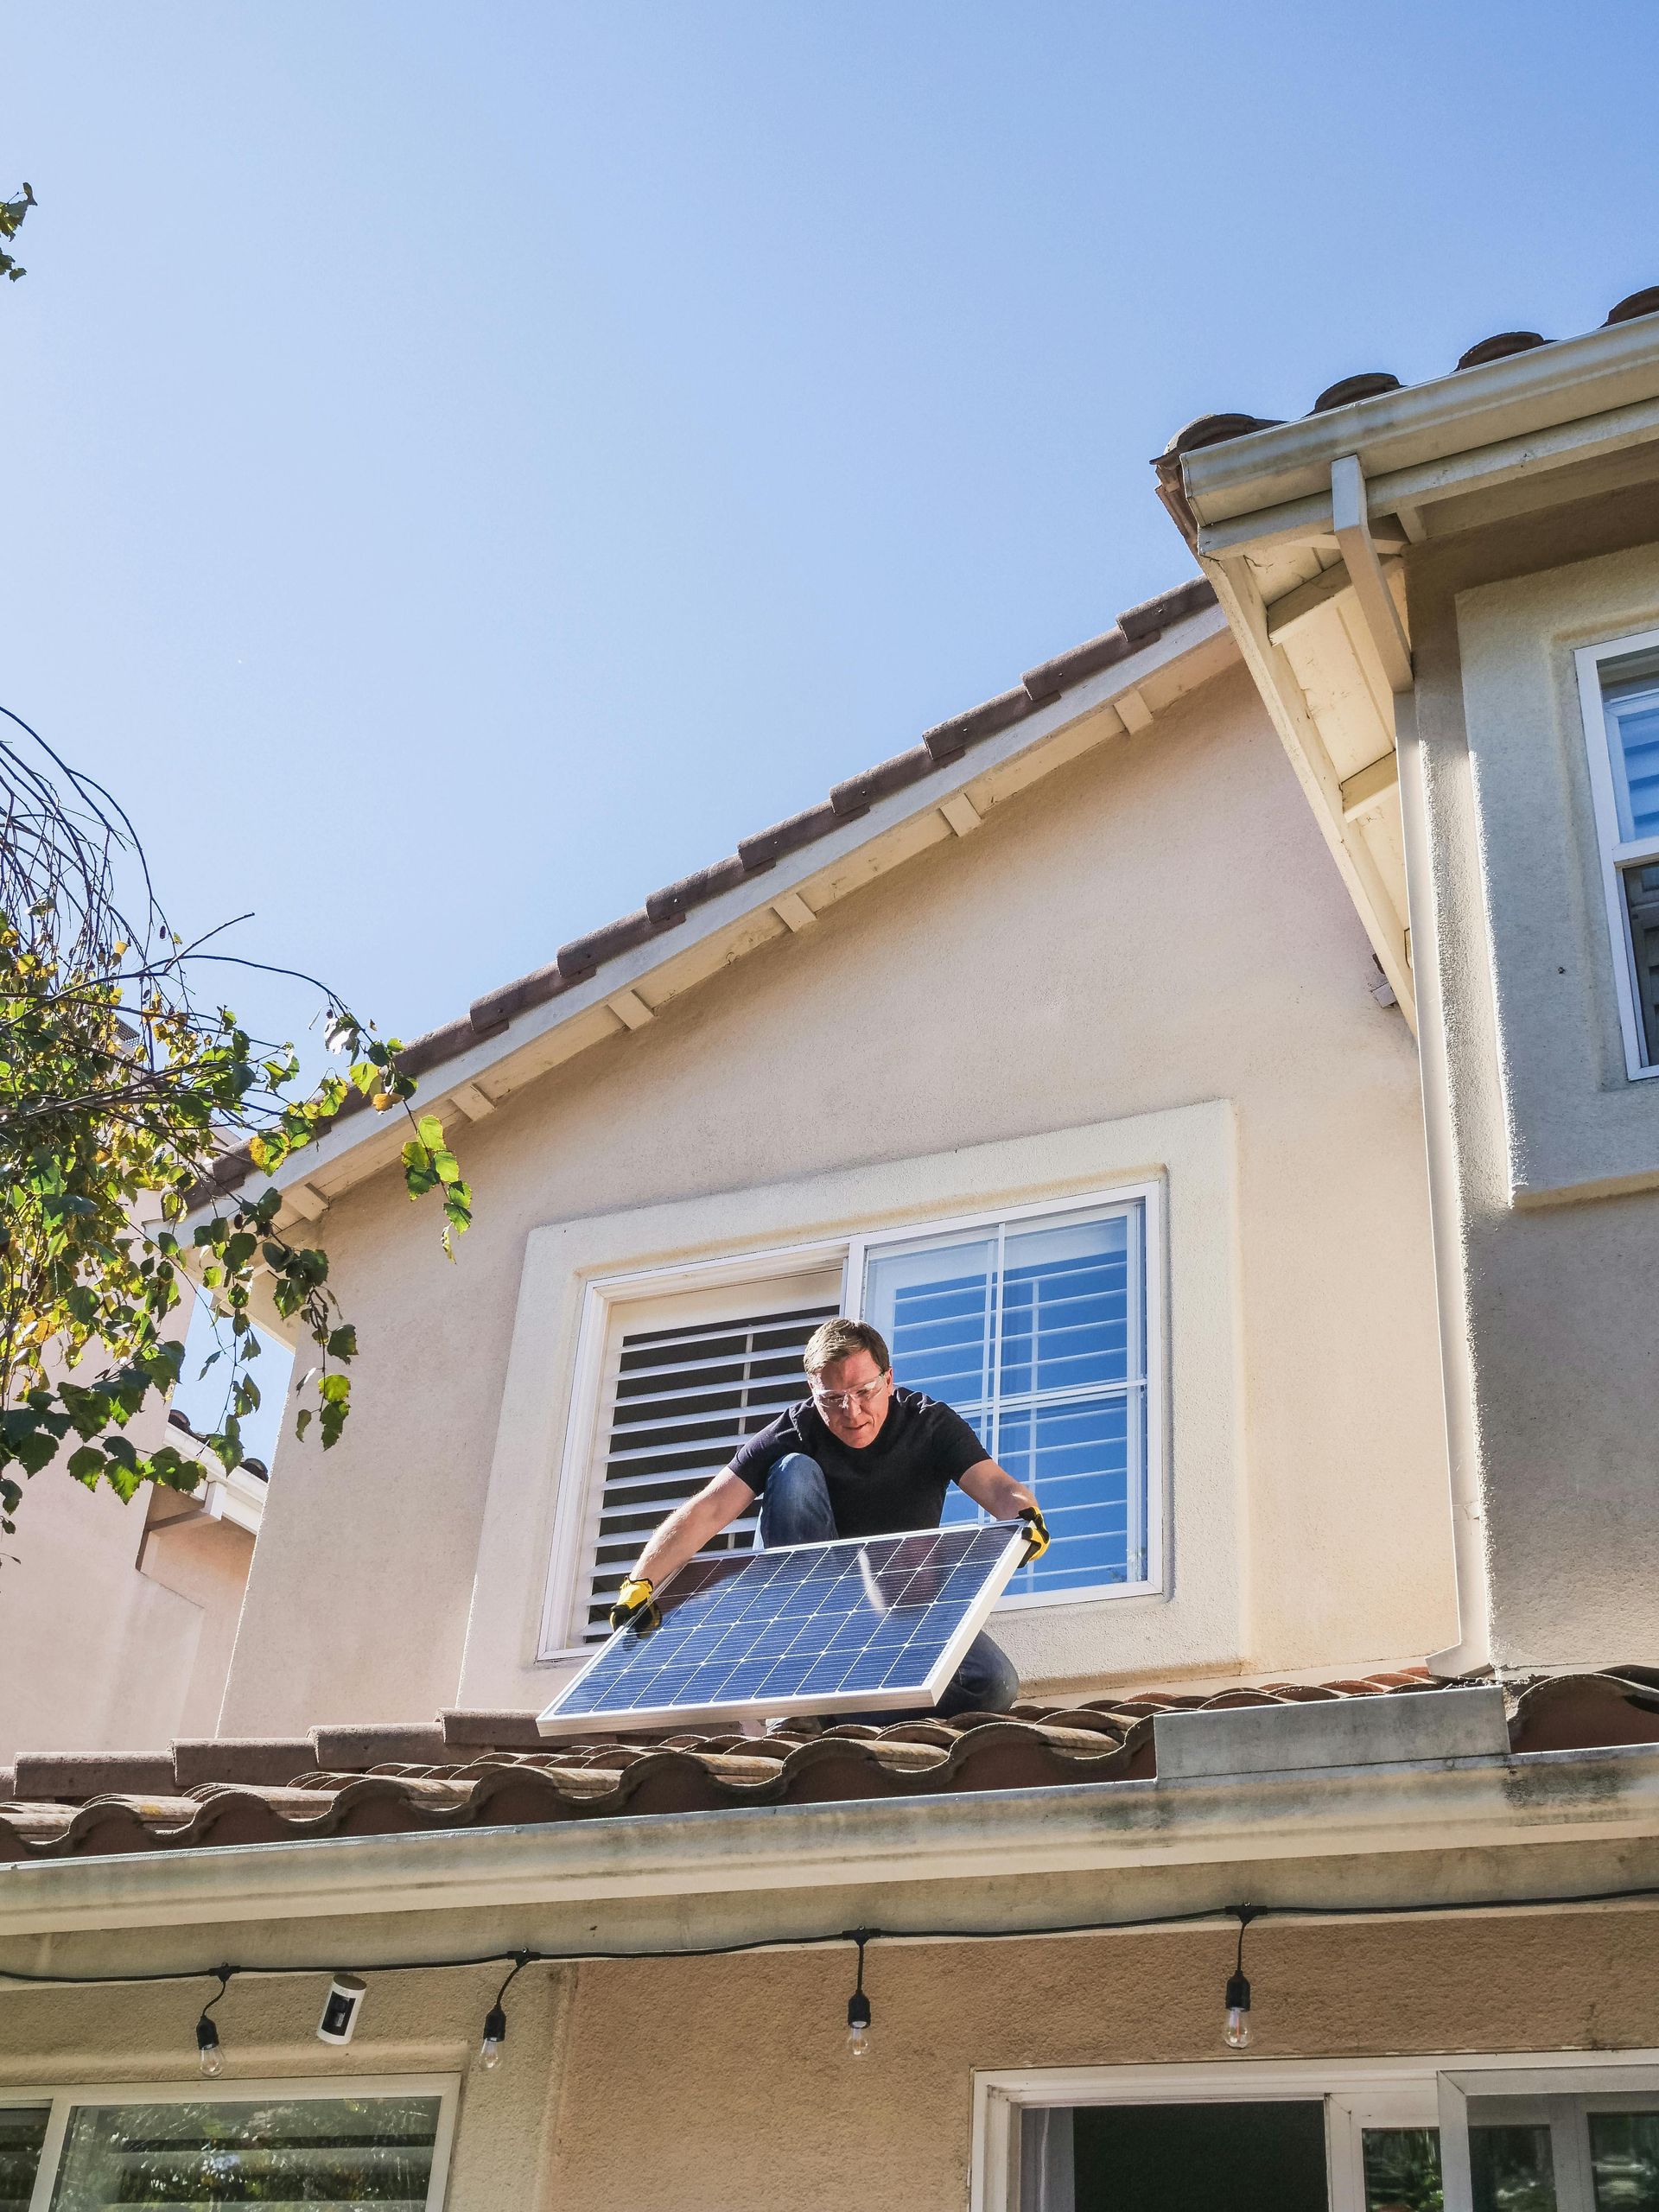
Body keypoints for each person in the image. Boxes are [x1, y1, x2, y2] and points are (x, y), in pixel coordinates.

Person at [607, 1315, 1050, 1719]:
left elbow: (993, 1484)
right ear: (812, 1394)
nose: (851, 1412)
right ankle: (802, 1681)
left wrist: (1024, 1517)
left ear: (889, 1379)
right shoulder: (793, 1432)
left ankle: (841, 1712)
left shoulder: (928, 1424)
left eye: (864, 1393)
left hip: (903, 1600)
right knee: (793, 1471)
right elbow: (710, 1507)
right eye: (832, 1399)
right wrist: (641, 1580)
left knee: (991, 1684)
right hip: (817, 1607)